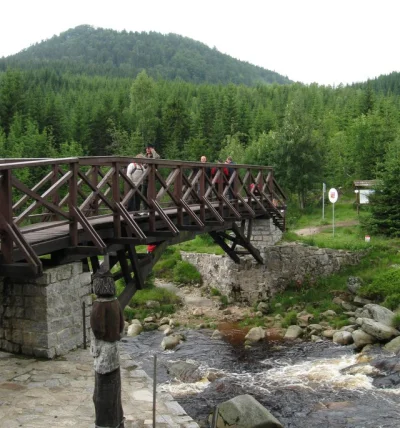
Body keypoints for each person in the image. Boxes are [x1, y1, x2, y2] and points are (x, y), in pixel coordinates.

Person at [90, 266, 125, 428]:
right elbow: (121, 326)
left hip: (103, 350)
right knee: (114, 392)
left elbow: (98, 331)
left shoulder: (99, 305)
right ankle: (118, 421)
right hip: (114, 350)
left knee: (101, 394)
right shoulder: (116, 302)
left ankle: (104, 424)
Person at [142, 144, 160, 208]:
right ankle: (145, 208)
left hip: (152, 177)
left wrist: (153, 152)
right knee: (143, 193)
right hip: (145, 177)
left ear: (152, 149)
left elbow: (155, 160)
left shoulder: (156, 155)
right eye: (146, 148)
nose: (147, 149)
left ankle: (153, 207)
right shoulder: (145, 156)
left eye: (149, 148)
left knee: (151, 193)